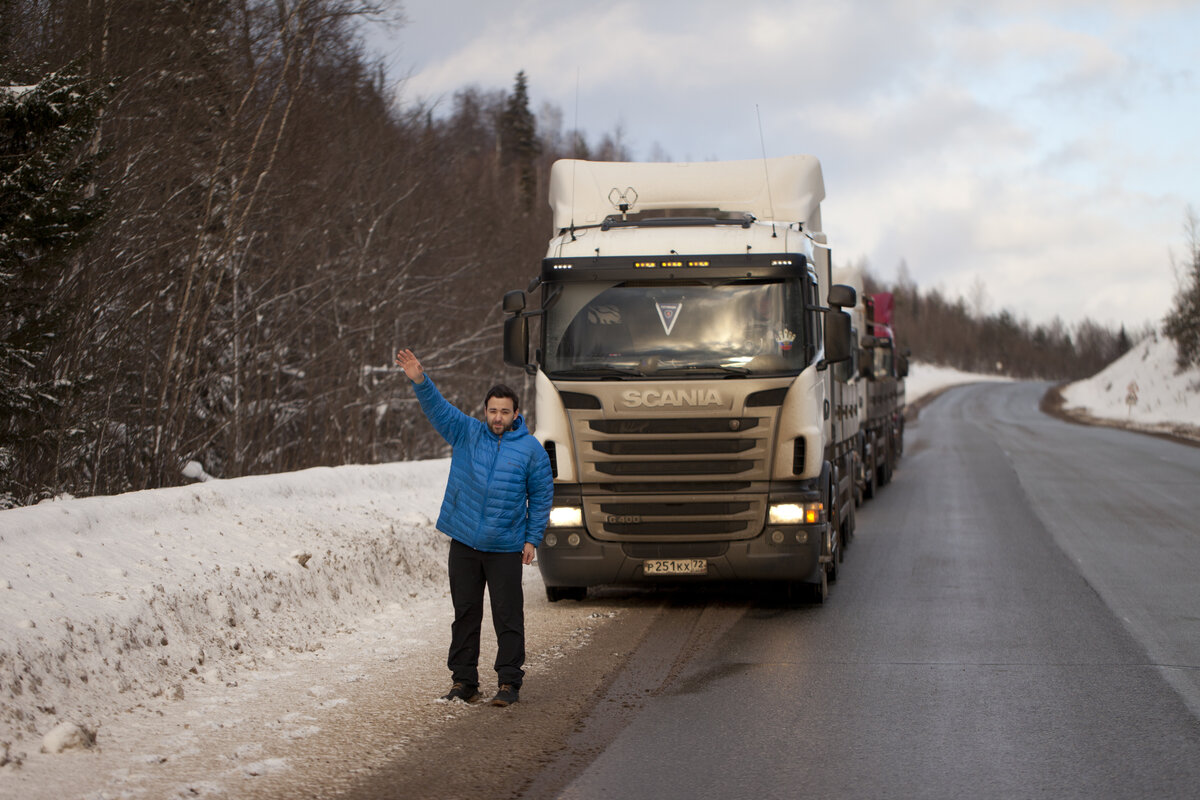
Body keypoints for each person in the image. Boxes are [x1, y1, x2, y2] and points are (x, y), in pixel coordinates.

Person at [394, 348, 553, 707]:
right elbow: (438, 408)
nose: (498, 417)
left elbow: (541, 496)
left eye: (504, 412)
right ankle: (465, 681)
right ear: (486, 412)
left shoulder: (531, 450)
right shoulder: (467, 433)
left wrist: (532, 540)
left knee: (507, 616)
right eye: (492, 410)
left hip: (505, 546)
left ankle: (509, 683)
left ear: (516, 414)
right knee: (465, 614)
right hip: (465, 542)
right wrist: (420, 379)